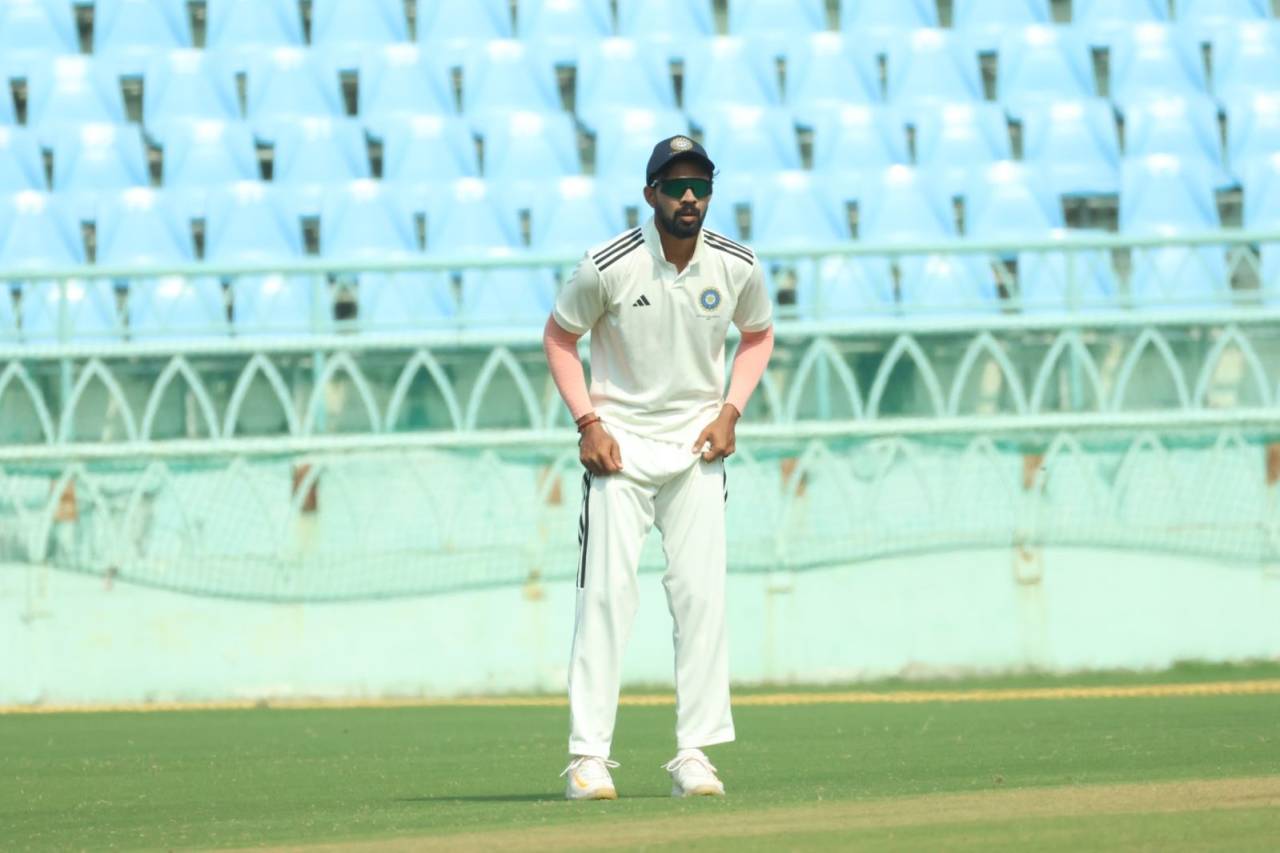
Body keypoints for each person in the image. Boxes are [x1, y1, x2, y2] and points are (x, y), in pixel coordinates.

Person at [542, 136, 775, 799]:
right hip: (620, 448)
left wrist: (731, 408)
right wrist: (588, 421)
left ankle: (694, 754)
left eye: (700, 184)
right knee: (607, 597)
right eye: (675, 186)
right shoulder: (608, 264)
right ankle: (588, 757)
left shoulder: (736, 265)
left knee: (701, 598)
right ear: (651, 195)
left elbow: (758, 335)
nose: (690, 197)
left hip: (698, 446)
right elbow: (560, 337)